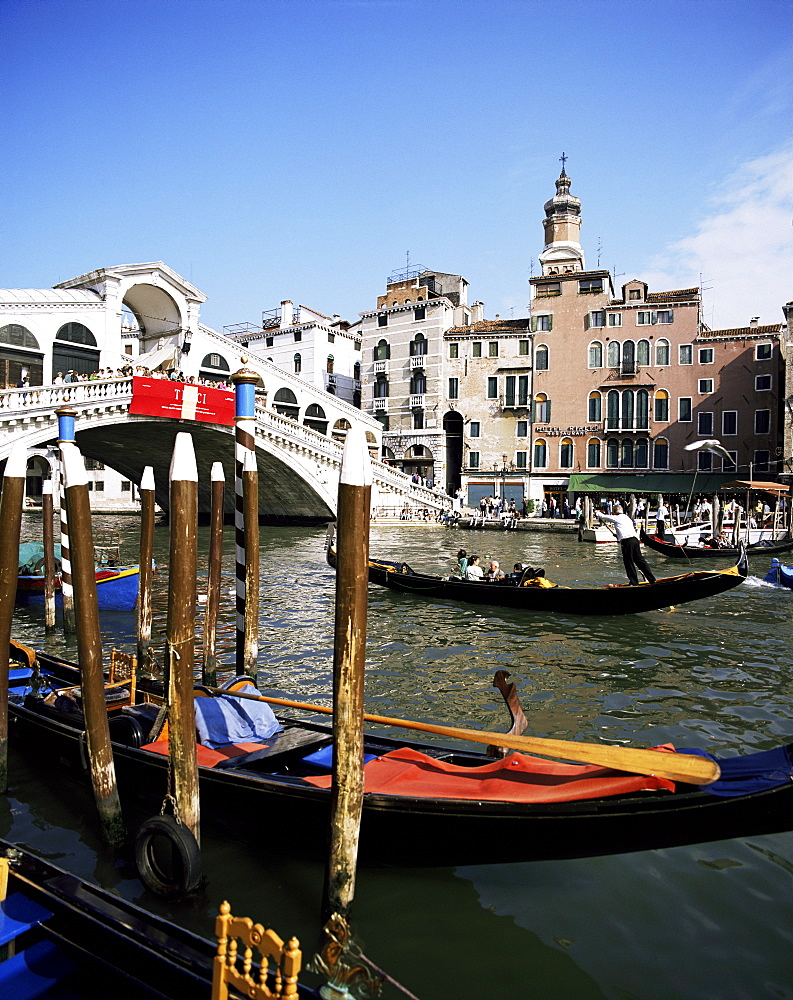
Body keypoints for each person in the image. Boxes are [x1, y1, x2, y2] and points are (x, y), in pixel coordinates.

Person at [596, 504, 656, 586]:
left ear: (614, 512)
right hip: (635, 540)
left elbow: (604, 517)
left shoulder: (618, 517)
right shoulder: (627, 518)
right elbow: (625, 529)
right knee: (640, 561)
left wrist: (597, 513)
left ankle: (634, 582)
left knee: (628, 561)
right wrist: (618, 535)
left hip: (628, 542)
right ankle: (652, 580)